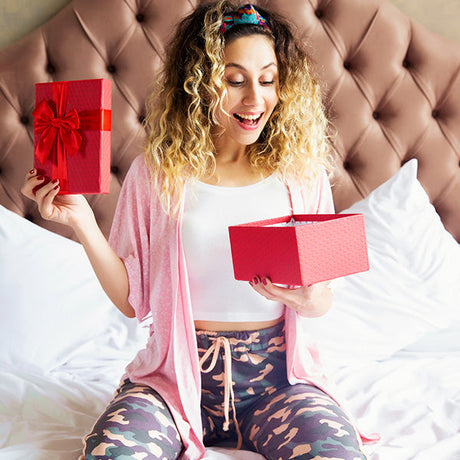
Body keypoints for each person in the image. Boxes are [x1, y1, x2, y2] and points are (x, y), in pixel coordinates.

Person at [22, 1, 370, 459]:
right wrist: (83, 222)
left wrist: (310, 299)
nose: (254, 99)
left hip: (276, 384)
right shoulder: (156, 173)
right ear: (200, 84)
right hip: (170, 380)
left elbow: (322, 297)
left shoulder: (301, 176)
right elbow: (133, 301)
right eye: (234, 80)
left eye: (268, 79)